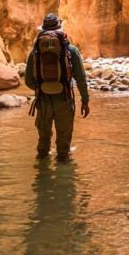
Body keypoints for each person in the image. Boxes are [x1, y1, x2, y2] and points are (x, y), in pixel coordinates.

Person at [24, 13, 89, 161]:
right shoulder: (71, 50)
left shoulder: (35, 52)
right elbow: (81, 79)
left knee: (43, 143)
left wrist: (41, 88)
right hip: (64, 100)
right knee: (63, 145)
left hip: (43, 101)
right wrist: (85, 100)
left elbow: (28, 80)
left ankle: (42, 173)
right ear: (60, 28)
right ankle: (63, 170)